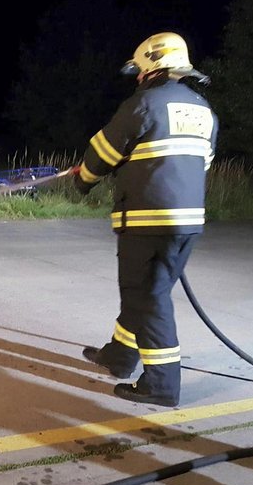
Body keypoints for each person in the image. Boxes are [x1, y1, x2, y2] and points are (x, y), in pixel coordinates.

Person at [74, 32, 218, 408]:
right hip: (187, 224)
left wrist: (83, 179)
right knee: (144, 293)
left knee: (148, 298)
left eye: (138, 71)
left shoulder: (144, 104)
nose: (137, 78)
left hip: (148, 220)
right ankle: (121, 355)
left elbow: (102, 152)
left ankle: (162, 384)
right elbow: (201, 162)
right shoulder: (203, 110)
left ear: (151, 67)